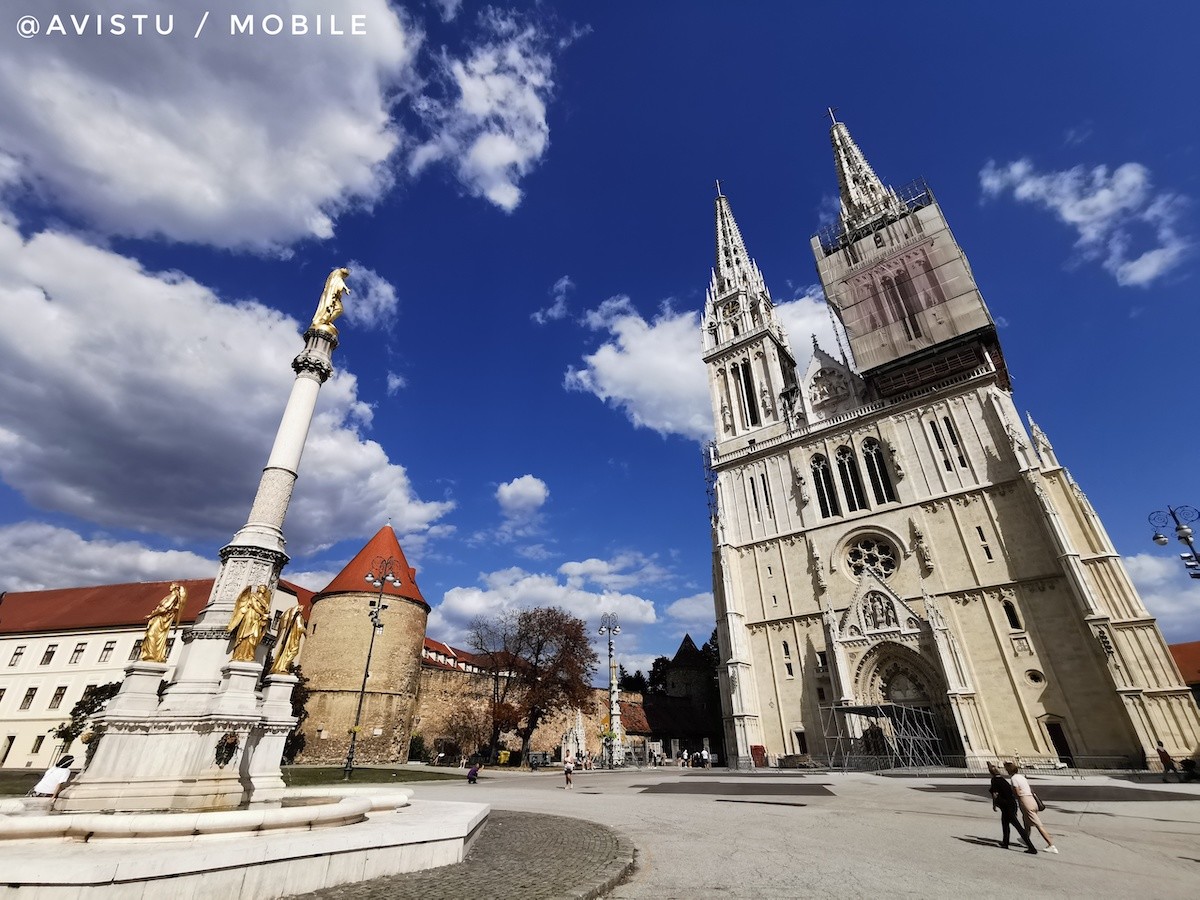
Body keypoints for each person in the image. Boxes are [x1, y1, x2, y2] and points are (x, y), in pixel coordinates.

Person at [1005, 761, 1058, 853]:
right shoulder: (1021, 777)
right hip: (1032, 800)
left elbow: (1017, 792)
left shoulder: (1014, 779)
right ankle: (1025, 838)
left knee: (1038, 824)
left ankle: (1051, 844)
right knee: (1026, 821)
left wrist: (1013, 795)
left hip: (1025, 801)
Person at [988, 762, 1036, 853]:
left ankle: (1031, 847)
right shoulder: (1002, 779)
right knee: (1005, 824)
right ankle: (1005, 842)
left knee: (1017, 826)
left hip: (1006, 806)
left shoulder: (994, 780)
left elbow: (995, 794)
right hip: (1011, 804)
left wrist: (994, 805)